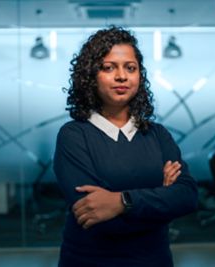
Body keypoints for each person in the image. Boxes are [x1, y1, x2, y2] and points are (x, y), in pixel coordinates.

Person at [53, 26, 198, 267]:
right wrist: (161, 200)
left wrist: (121, 201)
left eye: (130, 68)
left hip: (155, 260)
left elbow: (187, 197)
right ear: (91, 76)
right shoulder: (73, 135)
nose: (122, 76)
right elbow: (95, 216)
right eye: (109, 68)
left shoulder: (157, 134)